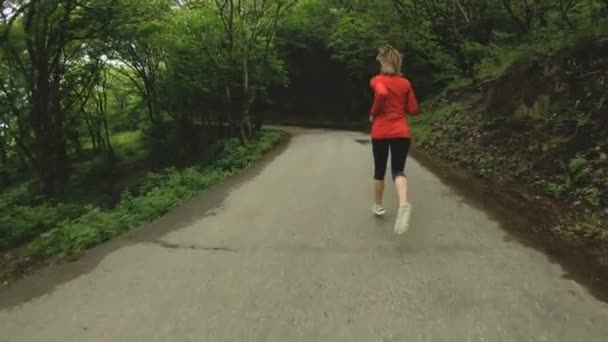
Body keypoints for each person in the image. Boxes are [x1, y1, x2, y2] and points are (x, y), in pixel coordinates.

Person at [369, 45, 419, 234]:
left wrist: (373, 113)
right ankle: (404, 203)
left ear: (384, 62)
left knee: (379, 171)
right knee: (398, 170)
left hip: (381, 132)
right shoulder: (405, 83)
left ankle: (379, 206)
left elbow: (381, 93)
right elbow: (413, 109)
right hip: (401, 131)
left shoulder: (376, 80)